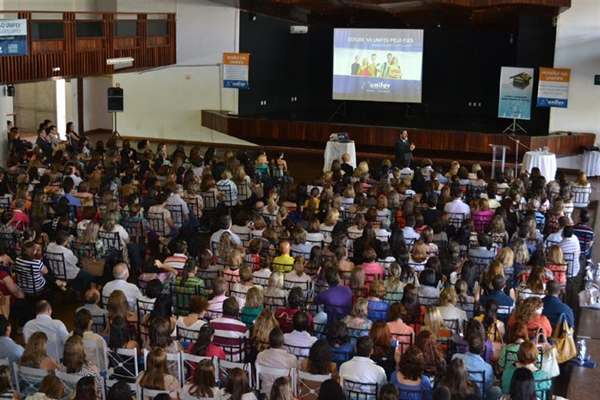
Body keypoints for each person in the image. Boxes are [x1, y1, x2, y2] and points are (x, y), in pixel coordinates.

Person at [451, 334, 500, 400]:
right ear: (483, 348)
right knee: (496, 390)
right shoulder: (487, 368)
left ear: (468, 346)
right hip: (478, 397)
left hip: (456, 394)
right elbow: (488, 388)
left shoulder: (455, 357)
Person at [46, 230, 94, 296]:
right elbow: (75, 261)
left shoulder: (49, 246)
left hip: (55, 271)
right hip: (68, 273)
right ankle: (73, 288)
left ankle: (73, 288)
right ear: (64, 242)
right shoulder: (67, 252)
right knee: (89, 276)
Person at [255, 327, 298, 396]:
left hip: (265, 394)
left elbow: (260, 376)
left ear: (269, 341)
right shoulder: (292, 359)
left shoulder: (260, 356)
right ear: (283, 341)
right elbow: (295, 380)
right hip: (284, 396)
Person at [210, 297, 249, 362]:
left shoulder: (212, 323)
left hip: (216, 359)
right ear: (237, 311)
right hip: (236, 362)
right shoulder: (243, 328)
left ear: (223, 309)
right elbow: (247, 349)